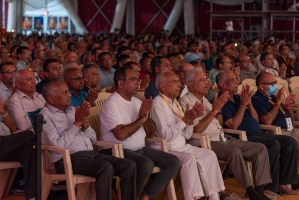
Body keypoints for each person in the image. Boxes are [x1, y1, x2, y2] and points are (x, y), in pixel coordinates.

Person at [179, 68, 273, 200]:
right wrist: (213, 112)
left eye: (207, 79)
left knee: (260, 148)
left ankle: (259, 190)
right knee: (234, 152)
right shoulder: (185, 101)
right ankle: (251, 191)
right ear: (191, 84)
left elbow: (218, 124)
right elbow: (195, 130)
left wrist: (218, 110)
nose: (207, 82)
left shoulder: (204, 100)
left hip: (221, 137)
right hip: (204, 142)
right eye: (202, 80)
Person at [40, 79, 136, 200]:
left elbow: (93, 140)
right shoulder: (44, 117)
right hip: (68, 160)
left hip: (90, 154)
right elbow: (56, 147)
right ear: (51, 98)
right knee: (105, 167)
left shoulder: (73, 110)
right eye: (64, 93)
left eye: (68, 92)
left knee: (129, 165)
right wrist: (76, 124)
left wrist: (84, 124)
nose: (70, 95)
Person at [100, 66, 180, 200]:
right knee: (146, 164)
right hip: (116, 151)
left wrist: (146, 117)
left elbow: (150, 133)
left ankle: (145, 196)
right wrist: (141, 119)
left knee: (172, 161)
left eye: (138, 80)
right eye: (134, 80)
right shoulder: (112, 104)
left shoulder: (137, 102)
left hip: (139, 149)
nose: (138, 83)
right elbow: (120, 134)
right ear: (120, 83)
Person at [217, 70, 299, 195]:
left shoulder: (237, 98)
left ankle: (284, 183)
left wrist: (248, 104)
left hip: (258, 132)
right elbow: (232, 125)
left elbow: (255, 119)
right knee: (273, 144)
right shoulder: (222, 101)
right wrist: (244, 104)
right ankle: (268, 187)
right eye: (233, 80)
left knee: (289, 142)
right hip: (244, 137)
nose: (237, 82)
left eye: (237, 78)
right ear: (222, 85)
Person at [150, 70, 225, 200]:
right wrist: (185, 120)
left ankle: (214, 198)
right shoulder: (158, 104)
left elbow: (186, 136)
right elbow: (164, 134)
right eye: (175, 82)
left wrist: (190, 122)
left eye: (179, 81)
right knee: (189, 158)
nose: (180, 85)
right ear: (162, 86)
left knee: (209, 154)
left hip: (181, 146)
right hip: (166, 149)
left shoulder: (176, 103)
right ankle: (194, 197)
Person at [252, 72, 299, 163]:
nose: (275, 85)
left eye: (275, 82)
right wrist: (278, 103)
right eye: (272, 84)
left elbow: (290, 117)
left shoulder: (273, 97)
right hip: (277, 132)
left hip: (290, 129)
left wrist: (288, 105)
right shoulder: (256, 99)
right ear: (262, 87)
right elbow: (267, 120)